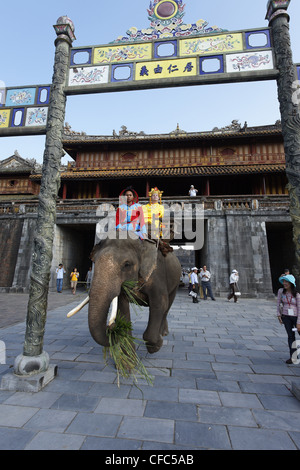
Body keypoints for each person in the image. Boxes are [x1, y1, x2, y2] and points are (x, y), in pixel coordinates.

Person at [277, 274, 300, 364]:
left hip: (296, 317)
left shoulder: (297, 294)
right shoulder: (281, 291)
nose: (284, 283)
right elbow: (278, 303)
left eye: (286, 282)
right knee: (291, 337)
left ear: (291, 283)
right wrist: (278, 315)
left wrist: (298, 322)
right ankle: (293, 357)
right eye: (284, 281)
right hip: (286, 316)